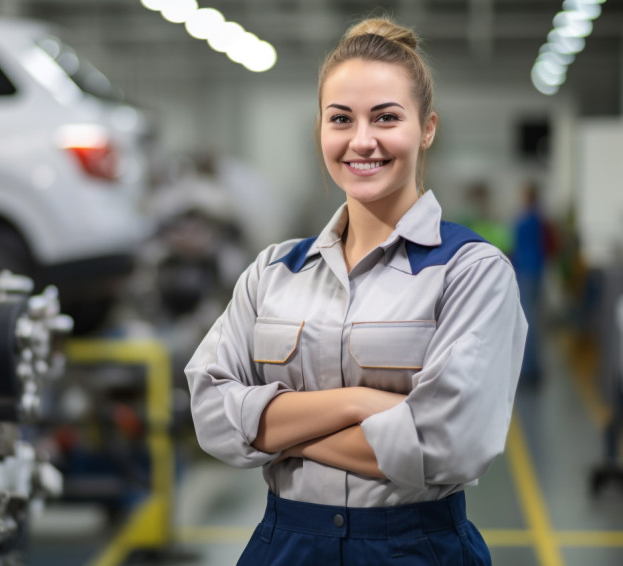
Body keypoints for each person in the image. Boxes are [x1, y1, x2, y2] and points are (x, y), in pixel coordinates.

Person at [185, 17, 527, 565]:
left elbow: (448, 447)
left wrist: (273, 431)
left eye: (386, 118)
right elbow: (209, 413)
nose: (361, 140)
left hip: (418, 548)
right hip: (285, 545)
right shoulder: (273, 272)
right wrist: (359, 404)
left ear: (427, 127)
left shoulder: (471, 272)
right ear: (321, 128)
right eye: (340, 119)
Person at [511, 180, 552, 388]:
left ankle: (528, 369)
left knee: (527, 321)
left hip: (526, 272)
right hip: (537, 271)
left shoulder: (525, 221)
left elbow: (515, 246)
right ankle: (534, 367)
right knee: (535, 320)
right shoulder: (540, 220)